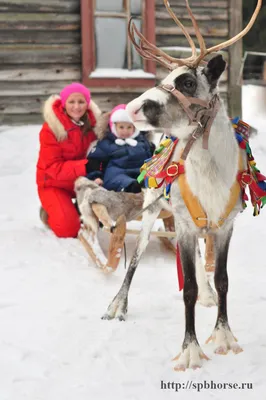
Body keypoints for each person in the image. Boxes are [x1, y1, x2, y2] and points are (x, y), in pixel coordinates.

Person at [36, 82, 101, 238]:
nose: (76, 107)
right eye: (71, 102)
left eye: (81, 102)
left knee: (104, 212)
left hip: (83, 182)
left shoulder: (94, 125)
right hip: (53, 183)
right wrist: (86, 166)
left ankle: (74, 208)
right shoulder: (52, 128)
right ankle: (49, 212)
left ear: (87, 103)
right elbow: (52, 167)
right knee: (68, 228)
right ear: (64, 104)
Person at [86, 104, 155, 193]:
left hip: (139, 171)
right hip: (117, 173)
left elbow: (153, 159)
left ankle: (142, 185)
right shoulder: (106, 143)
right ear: (113, 127)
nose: (125, 131)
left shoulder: (143, 143)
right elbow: (95, 161)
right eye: (121, 127)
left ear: (135, 128)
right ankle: (129, 187)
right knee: (119, 180)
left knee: (148, 178)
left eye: (129, 127)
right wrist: (96, 177)